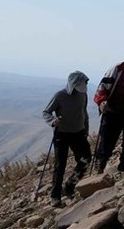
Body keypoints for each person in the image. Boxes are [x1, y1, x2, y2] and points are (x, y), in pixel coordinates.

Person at [42, 71, 91, 208]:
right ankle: (55, 197)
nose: (83, 87)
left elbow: (84, 112)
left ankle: (70, 185)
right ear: (72, 84)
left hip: (78, 133)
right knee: (60, 165)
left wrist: (85, 129)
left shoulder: (83, 94)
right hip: (62, 134)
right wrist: (53, 121)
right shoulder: (60, 95)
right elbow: (46, 112)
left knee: (86, 158)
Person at [92, 43, 124, 173]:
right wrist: (102, 102)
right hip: (113, 110)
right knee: (107, 141)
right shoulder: (118, 69)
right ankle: (99, 167)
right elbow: (102, 88)